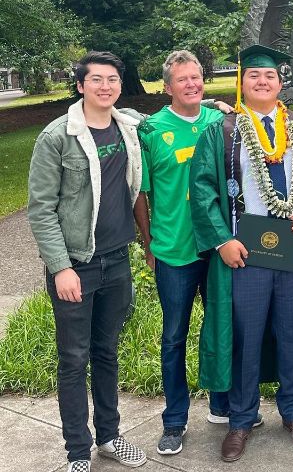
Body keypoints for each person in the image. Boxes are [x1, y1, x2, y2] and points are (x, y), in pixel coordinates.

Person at [189, 44, 293, 463]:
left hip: (292, 254)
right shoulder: (222, 131)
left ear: (279, 83)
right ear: (242, 82)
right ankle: (240, 420)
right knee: (245, 336)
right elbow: (201, 191)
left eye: (269, 76)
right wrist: (221, 240)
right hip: (244, 254)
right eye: (254, 75)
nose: (262, 81)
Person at [27, 51, 147, 472]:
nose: (105, 86)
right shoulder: (57, 137)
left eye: (112, 79)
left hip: (117, 262)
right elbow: (40, 209)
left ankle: (110, 437)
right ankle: (78, 451)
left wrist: (215, 105)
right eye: (96, 80)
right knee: (74, 360)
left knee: (107, 352)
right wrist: (60, 267)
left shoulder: (127, 125)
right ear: (80, 86)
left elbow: (176, 113)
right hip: (76, 266)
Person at [133, 50, 251, 456]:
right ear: (168, 87)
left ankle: (223, 405)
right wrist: (148, 245)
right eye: (182, 79)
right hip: (176, 251)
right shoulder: (151, 131)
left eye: (196, 77)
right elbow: (141, 195)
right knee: (173, 336)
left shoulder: (220, 122)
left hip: (217, 248)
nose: (191, 85)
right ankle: (174, 420)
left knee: (223, 326)